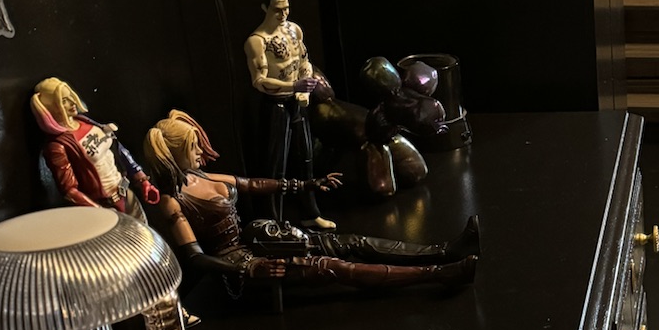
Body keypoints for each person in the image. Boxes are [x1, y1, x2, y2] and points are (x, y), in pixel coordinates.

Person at [143, 111, 478, 296]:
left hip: (256, 241)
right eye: (192, 148)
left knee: (349, 242)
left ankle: (444, 250)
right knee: (333, 267)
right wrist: (248, 268)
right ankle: (440, 274)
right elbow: (196, 258)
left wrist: (306, 184)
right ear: (174, 153)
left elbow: (252, 184)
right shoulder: (173, 202)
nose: (201, 152)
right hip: (241, 272)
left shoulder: (200, 176)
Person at [243, 0, 337, 229]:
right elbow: (259, 81)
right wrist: (294, 86)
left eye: (286, 8)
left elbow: (304, 61)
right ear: (265, 8)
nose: (283, 14)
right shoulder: (258, 41)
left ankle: (310, 213)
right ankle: (272, 222)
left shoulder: (294, 30)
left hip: (298, 102)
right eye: (277, 9)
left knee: (305, 158)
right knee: (275, 166)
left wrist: (304, 86)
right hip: (276, 105)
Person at [31, 77, 160, 217]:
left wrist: (142, 179)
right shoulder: (57, 146)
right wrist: (99, 212)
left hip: (126, 195)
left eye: (70, 96)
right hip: (106, 207)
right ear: (52, 106)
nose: (72, 102)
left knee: (144, 230)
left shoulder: (87, 123)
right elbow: (70, 191)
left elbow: (117, 148)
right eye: (64, 101)